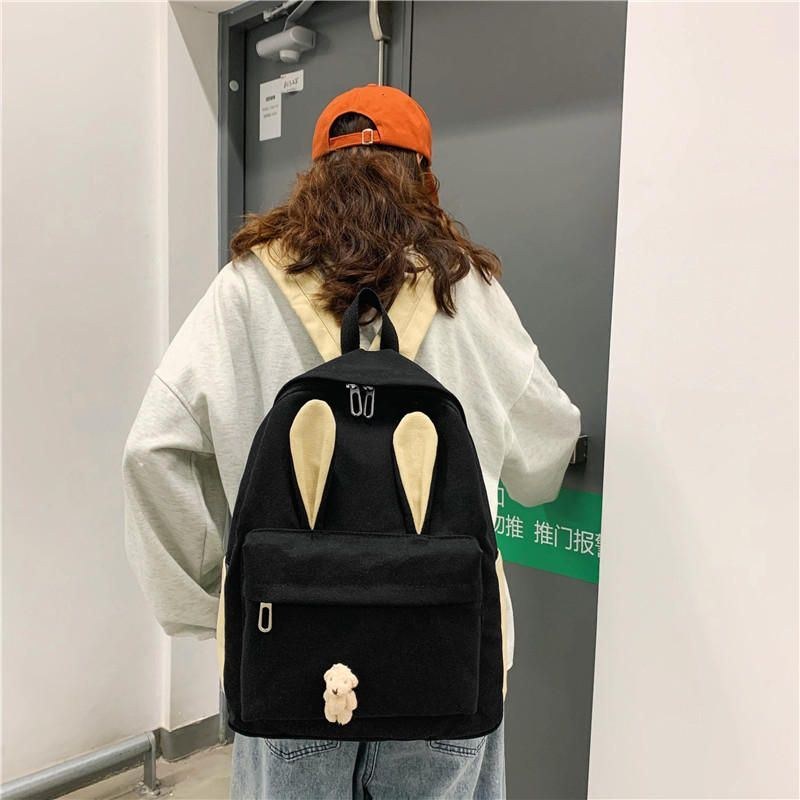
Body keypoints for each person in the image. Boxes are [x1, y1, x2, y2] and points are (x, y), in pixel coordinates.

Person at [122, 83, 581, 800]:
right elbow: (544, 452)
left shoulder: (247, 287)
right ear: (423, 178)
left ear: (314, 176)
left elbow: (152, 452)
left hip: (289, 653)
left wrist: (220, 593)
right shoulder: (466, 290)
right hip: (444, 650)